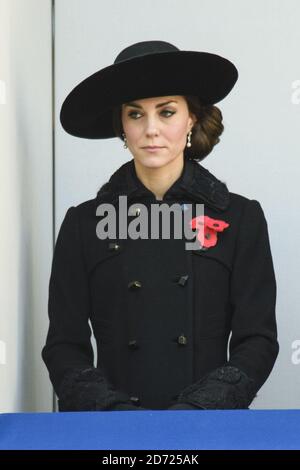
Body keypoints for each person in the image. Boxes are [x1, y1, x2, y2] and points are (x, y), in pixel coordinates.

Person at [42, 40, 279, 412]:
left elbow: (258, 340)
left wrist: (198, 411)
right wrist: (112, 413)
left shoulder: (240, 219)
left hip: (207, 429)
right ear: (121, 125)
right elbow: (64, 345)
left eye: (166, 112)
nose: (151, 129)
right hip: (113, 432)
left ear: (192, 119)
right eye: (135, 114)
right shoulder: (83, 225)